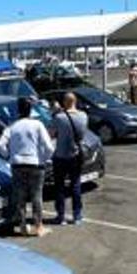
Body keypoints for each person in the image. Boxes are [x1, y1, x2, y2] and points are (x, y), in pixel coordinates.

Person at [0, 97, 56, 236]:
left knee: (20, 196)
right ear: (31, 110)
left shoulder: (12, 126)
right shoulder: (37, 124)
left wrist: (9, 156)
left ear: (18, 110)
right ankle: (39, 227)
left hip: (17, 164)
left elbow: (0, 145)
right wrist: (43, 159)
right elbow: (49, 147)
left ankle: (23, 225)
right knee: (36, 195)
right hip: (35, 164)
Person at [51, 92, 88, 225]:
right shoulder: (83, 116)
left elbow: (52, 134)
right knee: (76, 185)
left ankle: (61, 216)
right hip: (76, 155)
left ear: (65, 103)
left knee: (60, 186)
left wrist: (55, 113)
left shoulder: (59, 117)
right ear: (75, 101)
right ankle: (77, 216)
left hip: (60, 155)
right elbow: (82, 135)